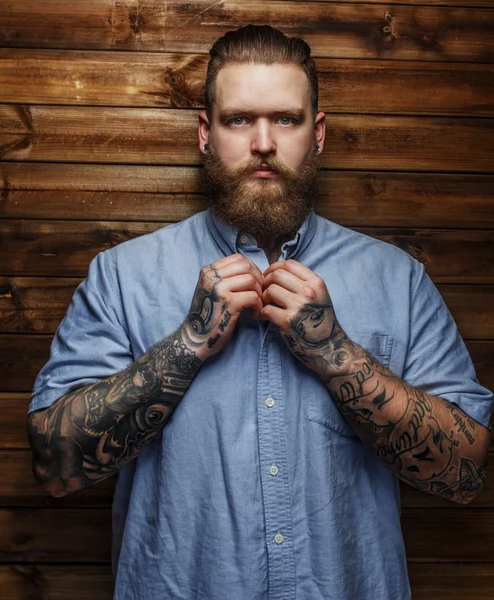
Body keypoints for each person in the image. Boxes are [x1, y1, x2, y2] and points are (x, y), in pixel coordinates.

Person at [28, 25, 493, 600]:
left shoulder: (398, 279)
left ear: (317, 134)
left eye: (288, 119)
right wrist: (189, 344)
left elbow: (467, 472)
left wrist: (335, 353)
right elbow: (55, 464)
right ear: (206, 133)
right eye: (239, 119)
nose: (265, 142)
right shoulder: (122, 276)